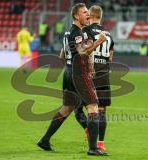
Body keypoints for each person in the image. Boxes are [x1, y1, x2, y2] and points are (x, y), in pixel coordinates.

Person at [37, 3, 107, 156]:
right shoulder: (77, 33)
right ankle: (93, 148)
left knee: (67, 108)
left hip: (68, 72)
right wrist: (98, 42)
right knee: (93, 106)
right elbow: (82, 53)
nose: (87, 14)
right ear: (76, 16)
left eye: (88, 12)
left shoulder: (68, 33)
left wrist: (71, 68)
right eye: (84, 12)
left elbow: (62, 54)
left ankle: (44, 140)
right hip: (78, 75)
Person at [74, 5, 114, 153]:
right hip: (104, 74)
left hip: (89, 74)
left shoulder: (86, 31)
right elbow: (111, 56)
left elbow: (83, 51)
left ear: (90, 16)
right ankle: (101, 143)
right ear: (101, 16)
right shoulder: (109, 34)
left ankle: (88, 130)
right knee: (102, 111)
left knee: (77, 108)